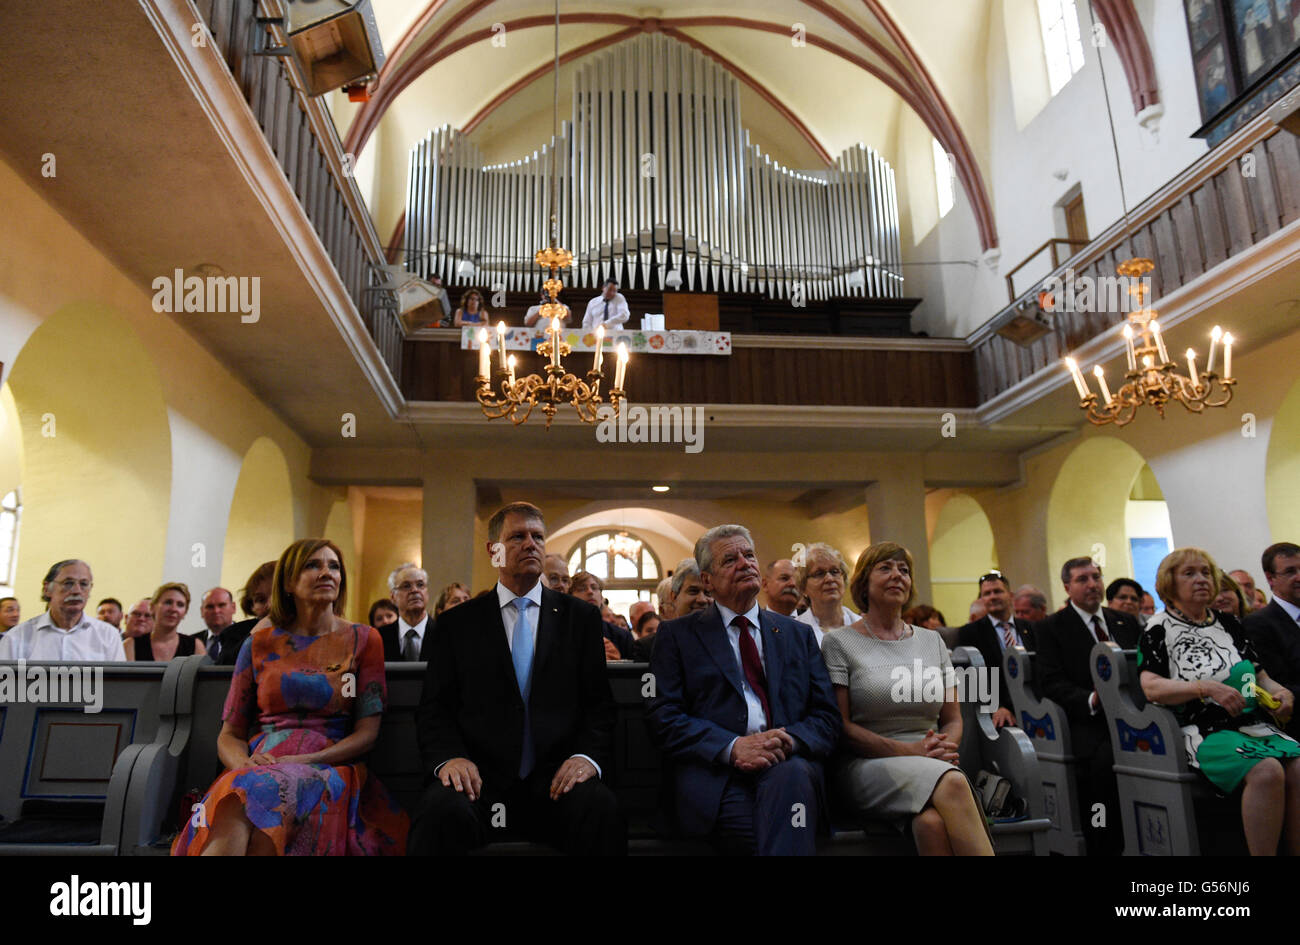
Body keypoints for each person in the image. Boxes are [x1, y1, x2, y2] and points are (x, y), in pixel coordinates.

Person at [410, 502, 624, 855]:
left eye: (538, 536)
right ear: (494, 551)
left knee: (601, 809)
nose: (531, 544)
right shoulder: (458, 624)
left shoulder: (580, 618)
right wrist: (450, 758)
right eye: (518, 537)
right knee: (439, 813)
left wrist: (587, 758)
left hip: (558, 780)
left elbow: (599, 706)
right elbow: (435, 709)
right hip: (479, 780)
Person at [172, 539, 407, 855]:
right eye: (313, 565)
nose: (326, 573)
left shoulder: (364, 639)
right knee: (237, 792)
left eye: (334, 566)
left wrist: (305, 759)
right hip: (261, 762)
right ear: (288, 583)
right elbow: (229, 734)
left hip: (328, 763)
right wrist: (243, 765)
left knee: (261, 795)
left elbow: (367, 734)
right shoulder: (259, 643)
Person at [646, 524, 840, 855]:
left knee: (788, 783)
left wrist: (788, 739)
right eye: (730, 559)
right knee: (766, 832)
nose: (745, 563)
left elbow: (827, 718)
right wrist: (732, 747)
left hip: (787, 765)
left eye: (749, 555)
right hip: (716, 773)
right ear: (707, 580)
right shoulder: (678, 637)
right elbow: (663, 716)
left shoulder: (797, 635)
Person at [823, 542, 993, 856]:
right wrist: (912, 751)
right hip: (868, 765)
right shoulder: (839, 642)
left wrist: (942, 748)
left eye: (904, 570)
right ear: (864, 582)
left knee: (931, 824)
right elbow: (841, 726)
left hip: (931, 760)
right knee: (954, 783)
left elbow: (953, 719)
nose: (897, 576)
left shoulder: (932, 641)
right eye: (885, 568)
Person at [1138, 547, 1299, 856]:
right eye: (1190, 573)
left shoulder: (1229, 623)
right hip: (1200, 730)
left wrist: (1282, 693)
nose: (1202, 579)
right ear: (1169, 583)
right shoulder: (1158, 627)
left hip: (1251, 724)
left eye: (1206, 572)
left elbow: (1259, 675)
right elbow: (1151, 687)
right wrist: (1206, 688)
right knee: (1266, 771)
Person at [1035, 556, 1142, 855]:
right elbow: (1051, 682)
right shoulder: (1051, 628)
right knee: (1103, 765)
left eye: (1096, 577)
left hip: (1132, 714)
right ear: (1067, 587)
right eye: (1083, 579)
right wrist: (1092, 698)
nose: (1093, 584)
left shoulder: (1125, 621)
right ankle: (1103, 840)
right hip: (1086, 721)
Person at [0, 560, 124, 661]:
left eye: (84, 584)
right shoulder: (16, 637)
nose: (77, 590)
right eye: (68, 583)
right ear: (47, 589)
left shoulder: (108, 636)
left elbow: (118, 687)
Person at [957, 570, 1035, 727]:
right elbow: (971, 678)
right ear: (982, 599)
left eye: (998, 591)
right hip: (998, 712)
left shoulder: (1031, 628)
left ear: (1010, 595)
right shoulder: (969, 633)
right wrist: (996, 707)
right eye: (987, 593)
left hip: (1033, 703)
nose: (992, 596)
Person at [1245, 542, 1300, 735]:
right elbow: (1278, 685)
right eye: (1290, 571)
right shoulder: (1258, 624)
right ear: (1270, 578)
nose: (1299, 577)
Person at [213, 561, 276, 667]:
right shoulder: (234, 633)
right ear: (252, 606)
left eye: (277, 596)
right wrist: (256, 634)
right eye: (260, 600)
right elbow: (222, 672)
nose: (270, 605)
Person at [794, 543, 856, 648]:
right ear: (803, 587)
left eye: (834, 571)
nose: (830, 579)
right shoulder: (794, 632)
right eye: (819, 573)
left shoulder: (865, 626)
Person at [128, 583, 204, 661]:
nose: (173, 609)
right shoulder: (130, 645)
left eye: (180, 605)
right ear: (152, 607)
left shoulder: (195, 646)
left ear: (185, 612)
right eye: (168, 602)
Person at [571, 570, 634, 659]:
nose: (590, 592)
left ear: (601, 597)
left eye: (594, 588)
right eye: (582, 589)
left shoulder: (622, 636)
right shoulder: (561, 632)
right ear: (570, 596)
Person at [381, 563, 432, 662]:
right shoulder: (380, 638)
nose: (414, 590)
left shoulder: (444, 635)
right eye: (406, 586)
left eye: (420, 585)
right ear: (393, 597)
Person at [198, 587, 236, 660]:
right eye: (210, 607)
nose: (216, 611)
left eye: (221, 605)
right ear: (202, 611)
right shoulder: (192, 643)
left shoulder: (246, 639)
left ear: (233, 607)